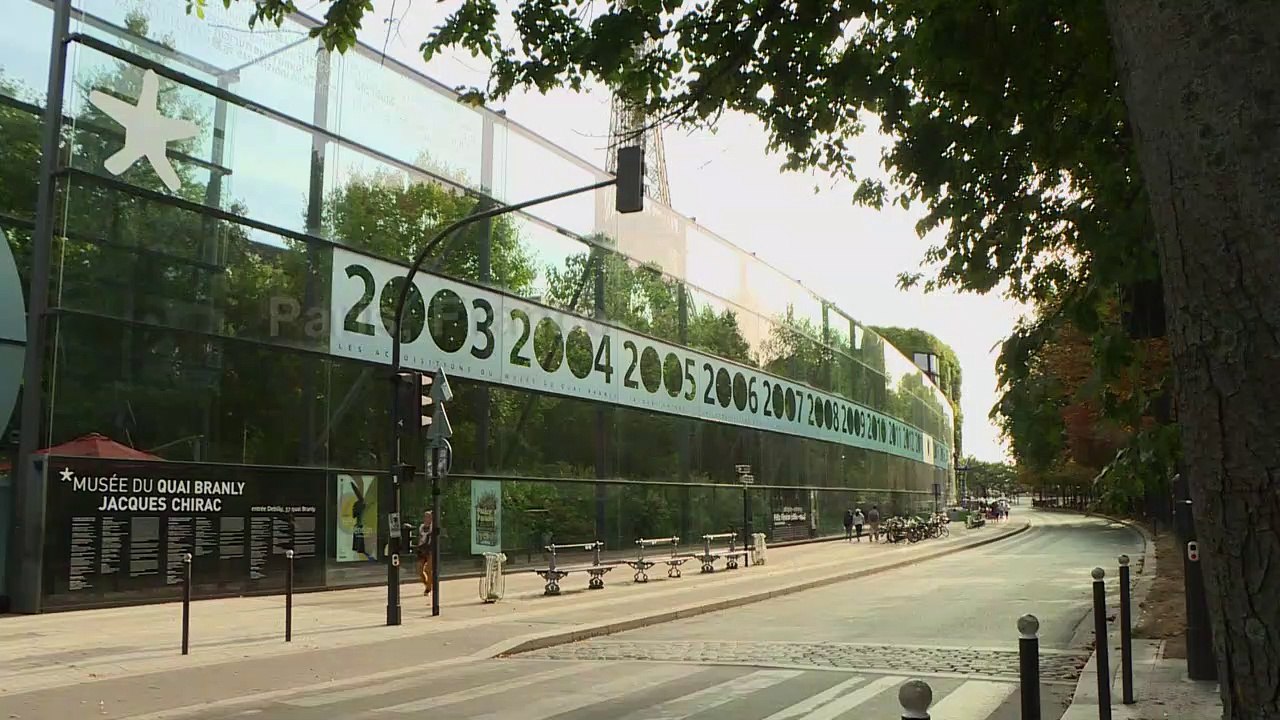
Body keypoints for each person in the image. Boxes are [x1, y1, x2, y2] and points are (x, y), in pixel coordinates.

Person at [416, 510, 434, 597]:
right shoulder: (421, 527)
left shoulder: (433, 527)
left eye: (428, 517)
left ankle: (428, 589)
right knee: (419, 570)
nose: (426, 519)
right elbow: (419, 538)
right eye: (425, 517)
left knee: (428, 570)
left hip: (430, 550)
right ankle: (428, 584)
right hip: (422, 549)